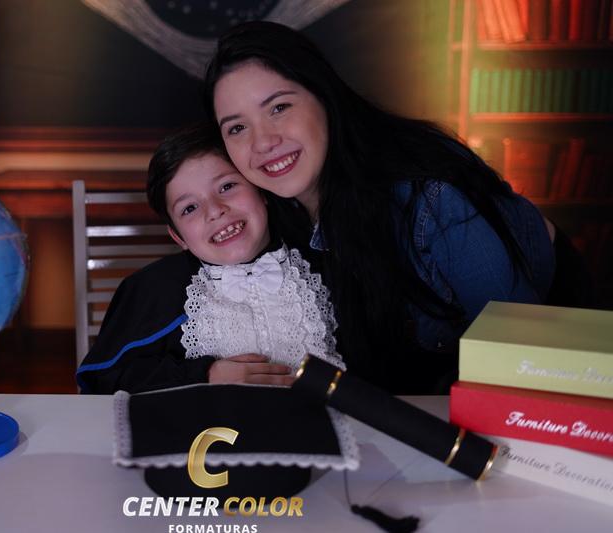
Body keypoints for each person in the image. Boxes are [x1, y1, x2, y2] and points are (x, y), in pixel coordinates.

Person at [203, 21, 557, 393]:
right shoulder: (258, 213)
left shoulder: (428, 201)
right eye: (237, 128)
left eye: (279, 107)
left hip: (542, 352)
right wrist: (206, 372)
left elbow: (522, 358)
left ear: (324, 96)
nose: (263, 142)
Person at [77, 123, 344, 394]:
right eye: (189, 208)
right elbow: (105, 382)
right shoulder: (153, 288)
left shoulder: (328, 266)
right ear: (178, 237)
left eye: (227, 186)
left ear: (260, 191)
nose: (215, 211)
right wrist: (204, 375)